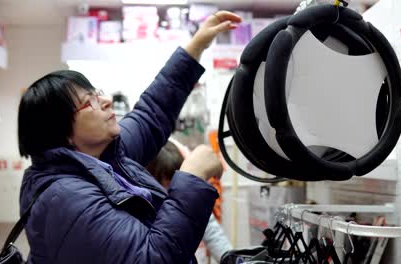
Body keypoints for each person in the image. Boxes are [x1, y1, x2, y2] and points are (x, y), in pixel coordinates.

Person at [17, 11, 242, 264]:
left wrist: (196, 46)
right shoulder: (66, 198)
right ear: (62, 132)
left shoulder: (103, 160)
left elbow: (151, 113)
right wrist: (192, 177)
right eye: (88, 101)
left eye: (97, 92)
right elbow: (151, 260)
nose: (106, 100)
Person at [146, 140, 233, 262]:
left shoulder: (186, 195)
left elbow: (212, 232)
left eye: (172, 182)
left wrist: (231, 258)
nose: (168, 189)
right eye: (164, 183)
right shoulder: (144, 205)